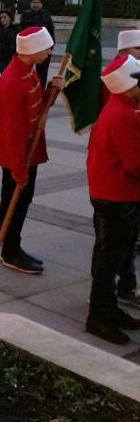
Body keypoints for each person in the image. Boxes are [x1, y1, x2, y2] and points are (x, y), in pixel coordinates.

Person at [0, 25, 64, 275]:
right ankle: (10, 251)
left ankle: (14, 245)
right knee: (14, 200)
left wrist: (52, 90)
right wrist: (19, 168)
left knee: (23, 201)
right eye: (45, 49)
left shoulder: (28, 71)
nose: (49, 53)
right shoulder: (12, 81)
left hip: (27, 151)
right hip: (17, 154)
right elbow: (12, 131)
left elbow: (38, 106)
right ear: (31, 49)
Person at [84, 55, 140, 344]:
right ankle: (98, 315)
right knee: (110, 259)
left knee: (113, 256)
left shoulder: (120, 107)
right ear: (127, 86)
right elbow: (135, 163)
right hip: (117, 195)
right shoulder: (124, 114)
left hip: (111, 192)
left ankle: (109, 308)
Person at [19, 0, 56, 85]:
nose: (35, 4)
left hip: (43, 49)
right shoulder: (25, 14)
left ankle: (41, 90)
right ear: (31, 4)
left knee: (42, 73)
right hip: (28, 49)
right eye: (34, 2)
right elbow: (20, 31)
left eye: (38, 2)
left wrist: (50, 47)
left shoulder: (46, 15)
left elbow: (51, 31)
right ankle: (26, 89)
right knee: (26, 71)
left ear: (41, 4)